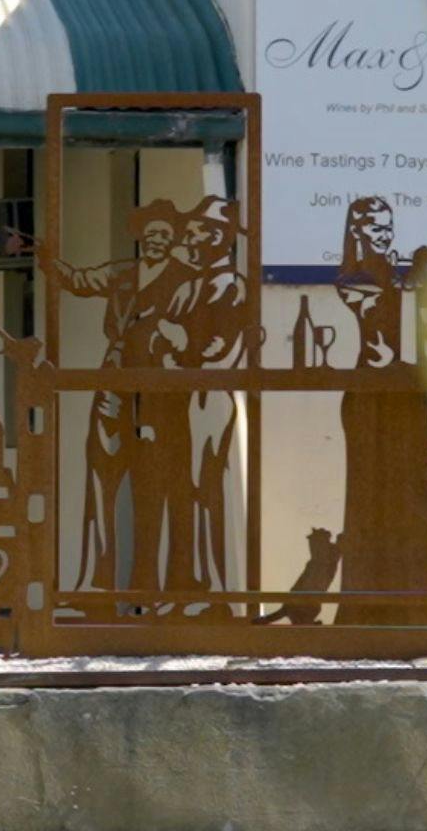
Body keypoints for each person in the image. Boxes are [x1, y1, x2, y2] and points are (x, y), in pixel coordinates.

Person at [40, 200, 190, 591]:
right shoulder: (123, 272)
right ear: (141, 236)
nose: (158, 240)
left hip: (160, 384)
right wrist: (45, 258)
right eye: (152, 233)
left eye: (165, 234)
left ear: (173, 238)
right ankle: (101, 581)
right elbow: (77, 280)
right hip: (114, 378)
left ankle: (152, 583)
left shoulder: (184, 277)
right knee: (103, 471)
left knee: (155, 478)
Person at [332, 196, 427, 625]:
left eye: (388, 227)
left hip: (405, 396)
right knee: (371, 495)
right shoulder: (355, 277)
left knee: (413, 490)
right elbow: (378, 339)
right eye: (376, 228)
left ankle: (419, 600)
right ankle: (369, 604)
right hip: (374, 399)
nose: (386, 236)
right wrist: (412, 283)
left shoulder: (393, 275)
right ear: (357, 232)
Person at [149, 196, 250, 598]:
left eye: (193, 233)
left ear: (216, 238)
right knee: (183, 490)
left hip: (208, 397)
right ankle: (186, 585)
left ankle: (213, 588)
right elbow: (157, 338)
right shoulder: (188, 284)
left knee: (205, 489)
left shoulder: (230, 287)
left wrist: (178, 341)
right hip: (178, 398)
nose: (186, 240)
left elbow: (219, 350)